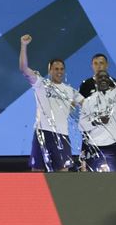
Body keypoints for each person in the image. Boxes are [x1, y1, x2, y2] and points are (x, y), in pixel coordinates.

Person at [18, 34, 83, 172]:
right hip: (42, 133)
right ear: (50, 70)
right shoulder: (41, 83)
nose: (59, 72)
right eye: (56, 69)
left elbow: (87, 104)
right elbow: (24, 69)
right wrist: (23, 46)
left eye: (61, 69)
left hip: (62, 135)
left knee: (63, 173)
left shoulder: (70, 90)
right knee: (37, 172)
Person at [79, 62, 116, 171]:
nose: (103, 79)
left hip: (115, 143)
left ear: (110, 80)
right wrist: (96, 122)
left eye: (106, 77)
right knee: (94, 181)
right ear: (96, 80)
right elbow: (81, 126)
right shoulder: (88, 101)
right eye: (100, 77)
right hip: (95, 145)